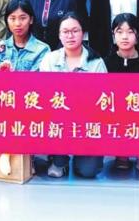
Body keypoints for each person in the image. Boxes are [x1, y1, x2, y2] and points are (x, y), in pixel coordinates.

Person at [38, 13, 106, 179]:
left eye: (75, 31)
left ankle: (77, 158)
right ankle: (59, 159)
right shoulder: (49, 60)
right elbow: (43, 96)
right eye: (65, 31)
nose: (70, 36)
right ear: (59, 35)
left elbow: (102, 102)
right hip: (57, 121)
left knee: (88, 171)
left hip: (86, 124)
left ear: (83, 33)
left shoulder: (96, 62)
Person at [104, 13, 139, 177]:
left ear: (137, 35)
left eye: (130, 32)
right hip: (116, 114)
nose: (124, 37)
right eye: (119, 32)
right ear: (113, 36)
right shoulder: (106, 63)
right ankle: (121, 154)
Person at [0, 0, 51, 72]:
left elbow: (38, 77)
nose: (17, 23)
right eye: (12, 18)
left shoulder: (42, 50)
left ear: (31, 20)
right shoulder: (0, 48)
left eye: (23, 18)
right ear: (7, 21)